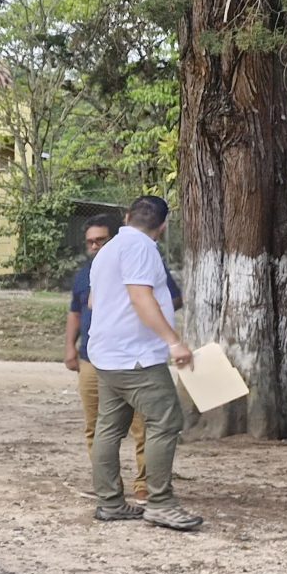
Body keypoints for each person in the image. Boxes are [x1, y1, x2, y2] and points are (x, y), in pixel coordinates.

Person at [86, 195, 203, 530]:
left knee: (109, 428)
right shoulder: (142, 248)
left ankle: (109, 502)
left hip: (106, 354)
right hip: (136, 357)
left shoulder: (107, 250)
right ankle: (161, 503)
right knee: (166, 421)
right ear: (162, 226)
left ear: (127, 217)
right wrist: (173, 341)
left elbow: (94, 301)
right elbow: (140, 297)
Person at [66, 218, 183, 503]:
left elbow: (164, 298)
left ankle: (142, 487)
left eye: (100, 240)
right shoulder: (89, 271)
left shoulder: (139, 256)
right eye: (90, 242)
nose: (95, 246)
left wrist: (144, 314)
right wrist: (70, 346)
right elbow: (79, 309)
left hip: (130, 354)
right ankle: (119, 494)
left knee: (142, 425)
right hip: (98, 357)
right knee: (102, 426)